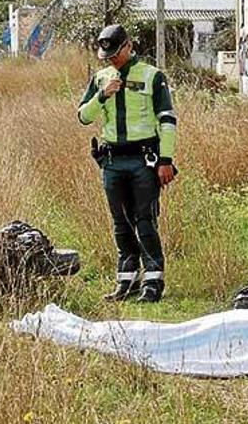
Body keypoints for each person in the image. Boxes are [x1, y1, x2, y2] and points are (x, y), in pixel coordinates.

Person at [77, 24, 178, 303]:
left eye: (115, 53)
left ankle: (153, 282)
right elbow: (83, 116)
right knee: (120, 223)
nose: (111, 59)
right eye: (106, 55)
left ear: (128, 46)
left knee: (145, 220)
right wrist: (103, 95)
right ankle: (126, 280)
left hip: (143, 159)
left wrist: (166, 160)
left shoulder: (152, 76)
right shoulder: (100, 79)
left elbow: (167, 120)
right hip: (111, 160)